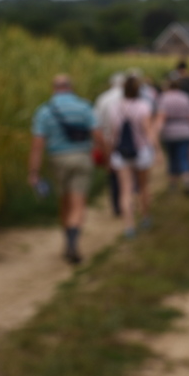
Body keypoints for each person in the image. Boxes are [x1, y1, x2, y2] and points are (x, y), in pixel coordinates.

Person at [29, 74, 104, 265]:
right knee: (78, 203)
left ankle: (67, 239)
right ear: (71, 87)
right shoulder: (84, 107)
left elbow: (38, 144)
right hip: (81, 157)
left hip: (57, 159)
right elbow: (97, 135)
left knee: (64, 201)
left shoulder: (44, 111)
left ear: (54, 88)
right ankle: (73, 241)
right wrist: (103, 155)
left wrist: (34, 172)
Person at [109, 75, 160, 237]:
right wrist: (157, 149)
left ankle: (129, 225)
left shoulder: (115, 107)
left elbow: (114, 133)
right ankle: (145, 216)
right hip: (141, 151)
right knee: (143, 186)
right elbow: (148, 130)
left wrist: (110, 151)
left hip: (121, 152)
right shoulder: (143, 106)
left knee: (126, 190)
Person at [154, 75, 189, 195]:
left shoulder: (164, 98)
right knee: (184, 157)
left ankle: (172, 182)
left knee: (172, 158)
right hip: (185, 130)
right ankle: (187, 180)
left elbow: (161, 117)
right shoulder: (186, 97)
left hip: (169, 131)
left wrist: (156, 133)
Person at [94, 72, 125, 215]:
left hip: (107, 140)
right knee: (127, 172)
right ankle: (126, 201)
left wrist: (98, 144)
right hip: (126, 140)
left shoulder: (103, 98)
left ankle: (116, 205)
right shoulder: (129, 97)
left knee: (112, 174)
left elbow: (96, 123)